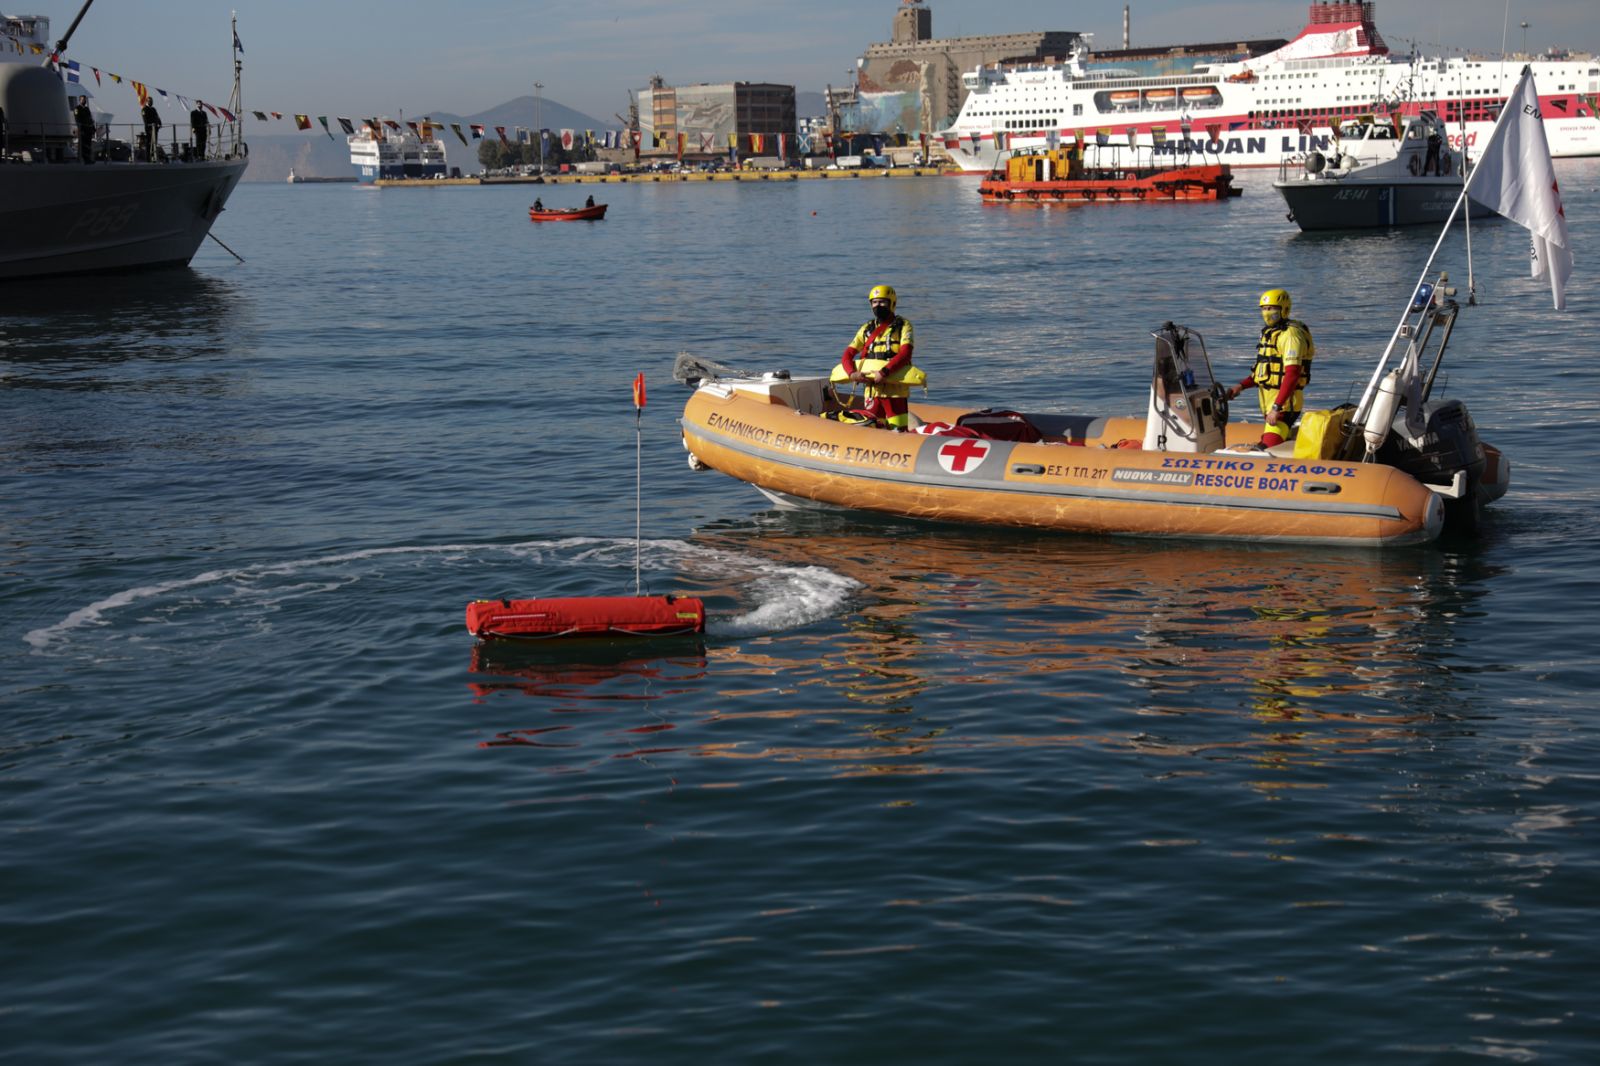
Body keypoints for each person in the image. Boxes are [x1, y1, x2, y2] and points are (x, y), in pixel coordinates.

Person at [1228, 288, 1314, 447]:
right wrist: (1240, 386)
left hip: (1284, 405)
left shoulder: (1290, 336)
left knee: (1265, 448)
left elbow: (1293, 374)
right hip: (1271, 404)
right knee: (1273, 441)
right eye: (1264, 309)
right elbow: (1264, 372)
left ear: (1284, 309)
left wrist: (1277, 407)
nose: (1267, 313)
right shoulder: (1271, 333)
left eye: (1271, 308)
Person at [838, 284, 920, 431]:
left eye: (882, 302)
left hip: (895, 390)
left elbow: (905, 353)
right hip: (872, 390)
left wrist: (884, 373)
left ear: (892, 303)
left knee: (898, 430)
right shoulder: (866, 328)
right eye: (874, 302)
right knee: (871, 428)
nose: (878, 306)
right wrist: (852, 373)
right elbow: (847, 354)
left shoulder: (903, 326)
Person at [73, 96, 95, 163]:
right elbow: (77, 119)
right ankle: (81, 159)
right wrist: (80, 127)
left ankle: (88, 159)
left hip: (88, 129)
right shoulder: (77, 108)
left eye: (84, 100)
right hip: (82, 129)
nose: (84, 101)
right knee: (82, 145)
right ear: (80, 100)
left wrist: (93, 128)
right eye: (82, 100)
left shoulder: (87, 109)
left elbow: (90, 119)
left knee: (88, 145)